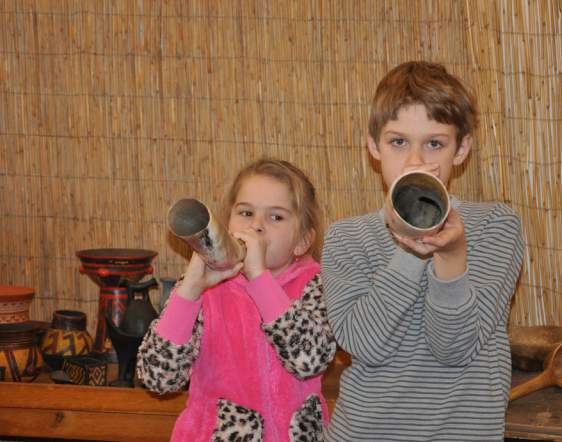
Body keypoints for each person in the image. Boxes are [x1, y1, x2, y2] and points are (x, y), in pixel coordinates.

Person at [322, 61, 525, 441]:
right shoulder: (347, 237)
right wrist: (412, 245)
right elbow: (364, 345)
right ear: (373, 146)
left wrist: (452, 257)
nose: (415, 161)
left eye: (434, 144)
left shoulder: (495, 226)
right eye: (398, 142)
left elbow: (455, 349)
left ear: (461, 149)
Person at [137, 159, 336, 442]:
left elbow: (309, 361)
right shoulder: (204, 289)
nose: (256, 225)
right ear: (227, 224)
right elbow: (157, 377)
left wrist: (259, 278)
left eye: (276, 217)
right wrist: (190, 291)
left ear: (302, 241)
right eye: (246, 213)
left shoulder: (316, 284)